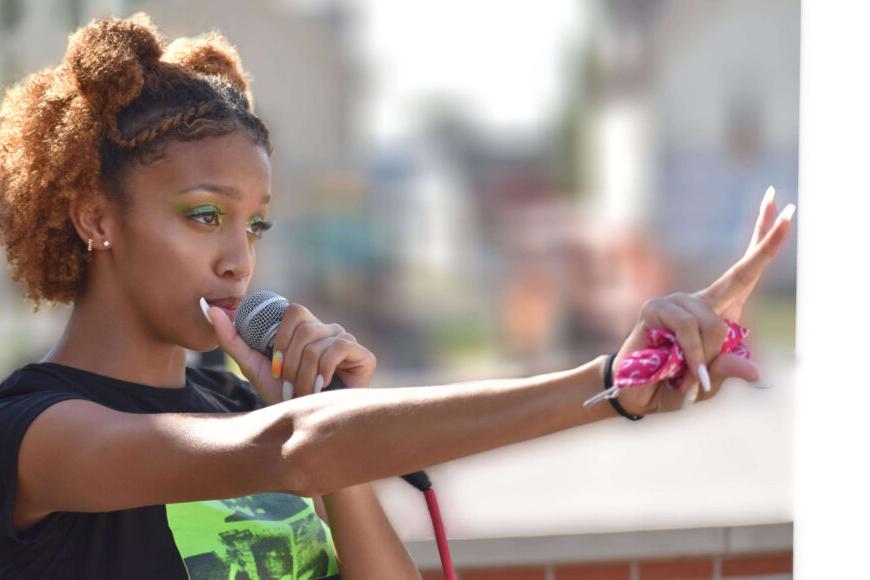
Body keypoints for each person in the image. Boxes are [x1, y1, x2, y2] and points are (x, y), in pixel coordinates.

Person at [0, 12, 794, 580]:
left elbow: (309, 455)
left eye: (256, 225)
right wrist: (604, 386)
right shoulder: (35, 431)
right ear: (95, 217)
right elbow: (291, 452)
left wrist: (320, 426)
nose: (239, 259)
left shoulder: (250, 409)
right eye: (205, 217)